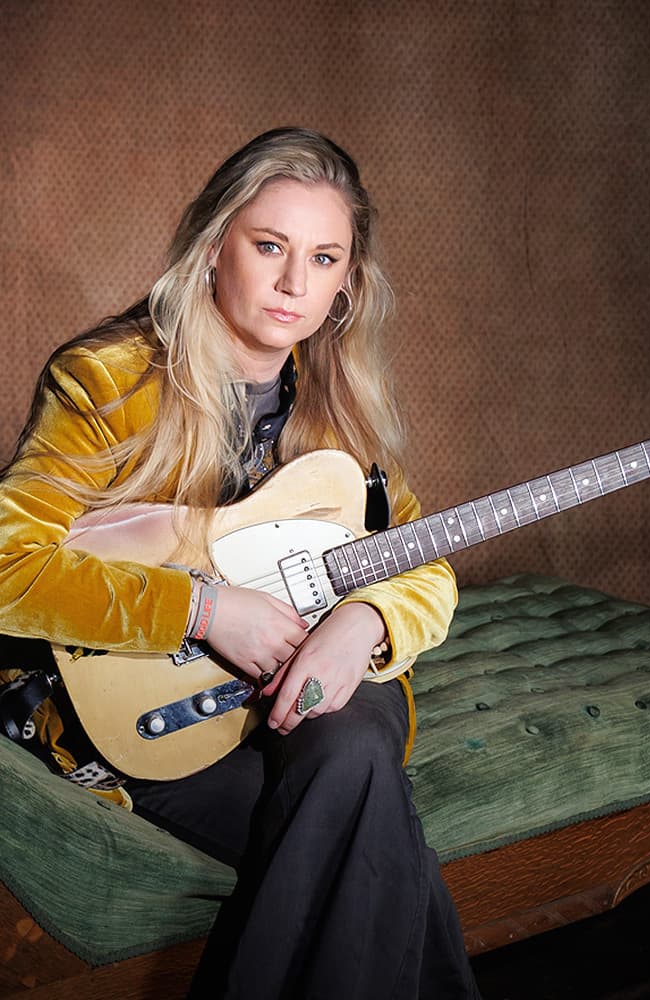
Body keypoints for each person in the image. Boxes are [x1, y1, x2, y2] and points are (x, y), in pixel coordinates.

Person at [0, 127, 481, 998]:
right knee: (367, 793)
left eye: (325, 258)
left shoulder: (344, 410)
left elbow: (424, 563)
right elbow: (7, 568)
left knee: (356, 741)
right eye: (270, 247)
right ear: (215, 245)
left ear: (347, 283)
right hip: (126, 704)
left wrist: (363, 624)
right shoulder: (108, 379)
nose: (296, 283)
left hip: (286, 698)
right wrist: (203, 610)